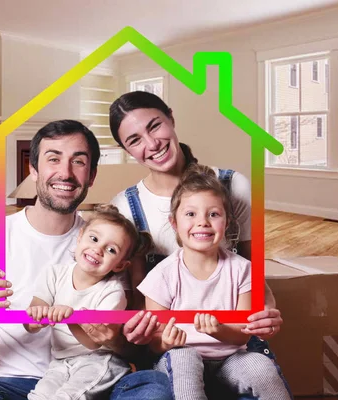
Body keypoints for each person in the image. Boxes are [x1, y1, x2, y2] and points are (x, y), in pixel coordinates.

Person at [0, 120, 172, 400]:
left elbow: (135, 350)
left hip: (95, 381)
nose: (65, 172)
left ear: (92, 175)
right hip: (17, 385)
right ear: (33, 169)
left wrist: (114, 340)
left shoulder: (109, 244)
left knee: (154, 387)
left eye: (78, 161)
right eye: (54, 159)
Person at [108, 90, 283, 337]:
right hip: (169, 342)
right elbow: (135, 296)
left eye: (155, 126)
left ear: (171, 118)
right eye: (135, 140)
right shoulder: (125, 207)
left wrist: (266, 310)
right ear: (126, 149)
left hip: (232, 336)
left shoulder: (233, 186)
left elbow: (252, 272)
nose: (152, 144)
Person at [137, 164, 292, 400]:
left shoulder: (242, 269)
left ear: (227, 222)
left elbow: (242, 335)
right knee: (183, 358)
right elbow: (153, 342)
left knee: (261, 367)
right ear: (175, 223)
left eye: (214, 214)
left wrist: (219, 330)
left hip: (230, 357)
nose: (203, 222)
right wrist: (165, 343)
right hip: (180, 357)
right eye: (190, 214)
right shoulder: (161, 275)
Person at [24, 204, 153, 400]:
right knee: (38, 396)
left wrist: (70, 318)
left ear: (120, 265)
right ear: (80, 236)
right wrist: (38, 317)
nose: (97, 249)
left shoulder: (113, 293)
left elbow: (93, 342)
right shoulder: (54, 274)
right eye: (93, 239)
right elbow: (30, 321)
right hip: (60, 361)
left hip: (100, 360)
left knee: (68, 397)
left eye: (111, 249)